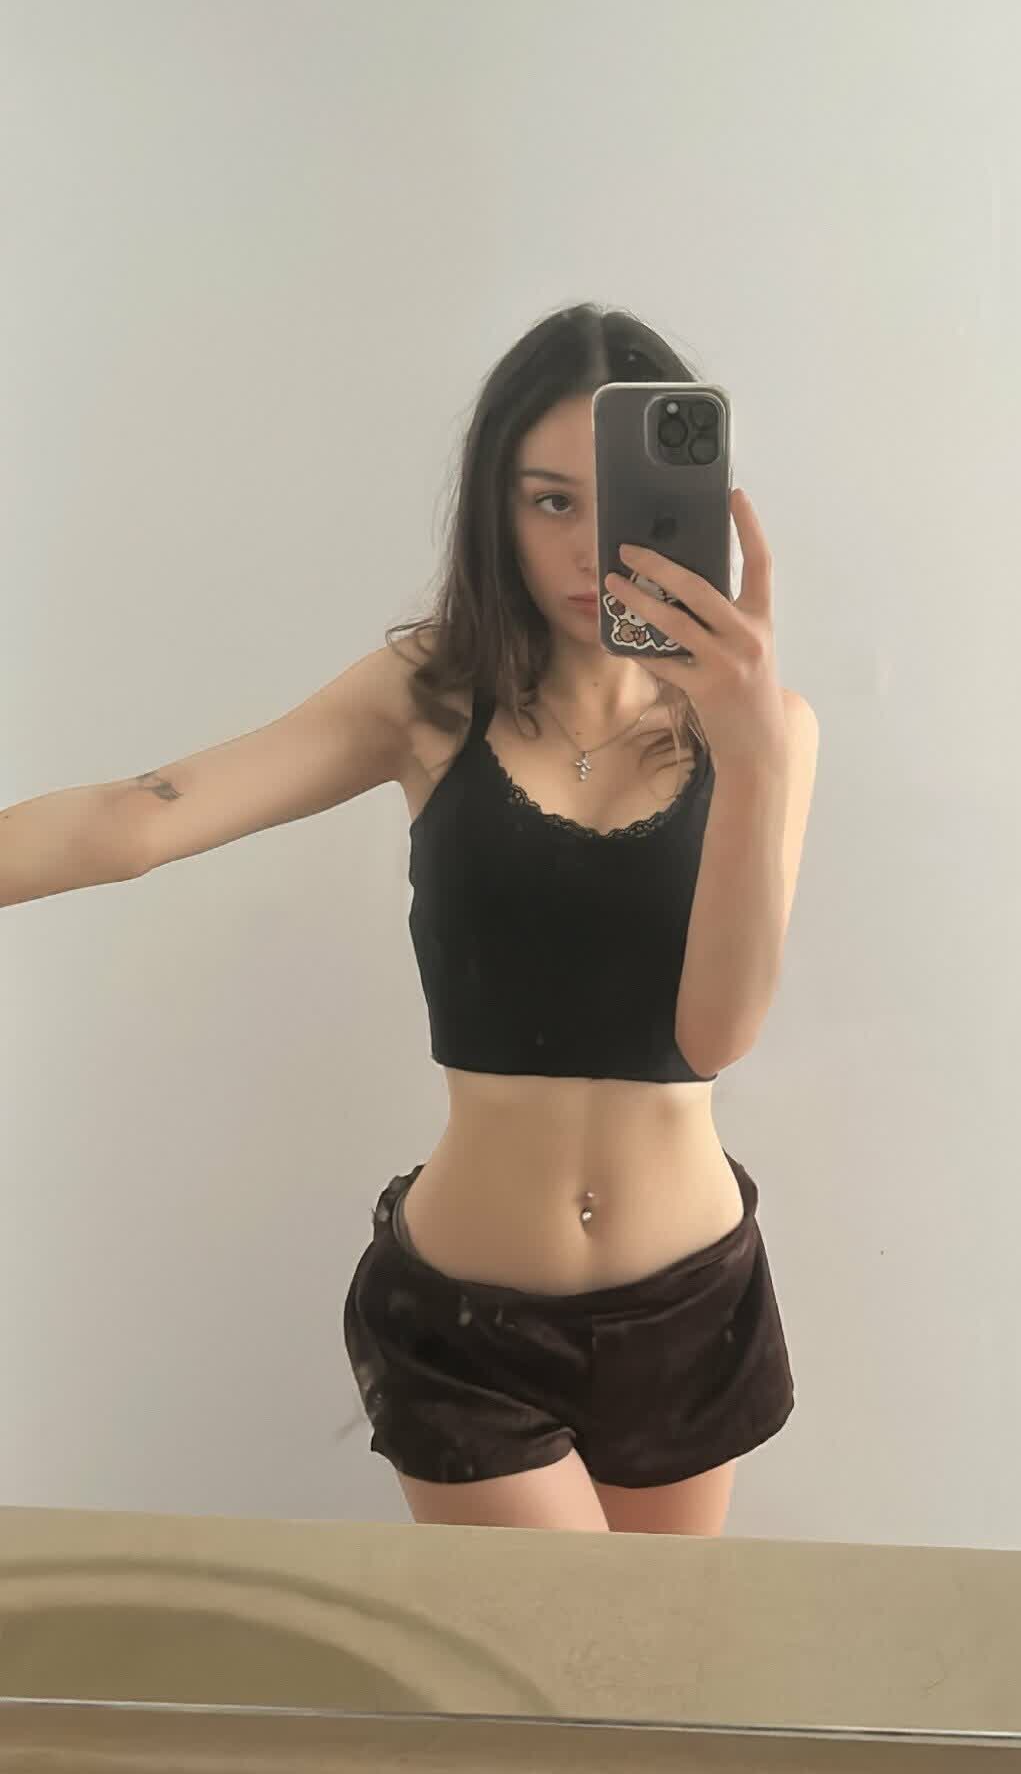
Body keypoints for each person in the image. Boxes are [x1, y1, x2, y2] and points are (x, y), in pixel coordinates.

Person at [1, 303, 818, 1537]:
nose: (591, 550)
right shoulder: (427, 695)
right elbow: (137, 819)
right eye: (550, 502)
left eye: (622, 505)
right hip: (467, 1329)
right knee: (550, 1639)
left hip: (689, 1309)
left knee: (648, 1656)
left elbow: (714, 1034)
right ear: (496, 507)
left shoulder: (769, 733)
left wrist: (751, 757)